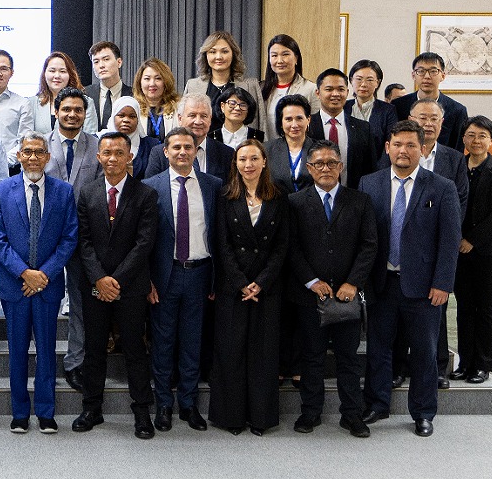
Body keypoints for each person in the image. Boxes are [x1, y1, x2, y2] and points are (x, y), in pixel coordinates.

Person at [362, 120, 462, 438]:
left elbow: (450, 241)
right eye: (397, 144)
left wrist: (443, 283)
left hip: (424, 287)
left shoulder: (441, 187)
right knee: (378, 349)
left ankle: (423, 412)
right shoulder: (369, 183)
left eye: (410, 145)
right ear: (387, 147)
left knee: (423, 353)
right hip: (382, 283)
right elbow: (364, 236)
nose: (403, 150)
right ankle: (377, 404)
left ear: (422, 148)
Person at [286, 140, 378, 437]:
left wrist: (353, 282)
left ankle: (351, 414)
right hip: (309, 296)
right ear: (309, 168)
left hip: (346, 296)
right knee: (312, 356)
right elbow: (291, 247)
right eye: (319, 164)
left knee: (348, 358)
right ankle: (310, 412)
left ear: (341, 167)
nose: (325, 168)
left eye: (331, 163)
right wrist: (311, 281)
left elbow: (369, 245)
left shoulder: (360, 201)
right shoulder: (295, 202)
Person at [72, 132, 159, 440]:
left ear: (129, 156)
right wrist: (99, 278)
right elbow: (83, 241)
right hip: (96, 285)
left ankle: (142, 412)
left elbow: (144, 243)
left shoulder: (145, 194)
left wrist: (116, 280)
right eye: (106, 153)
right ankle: (91, 409)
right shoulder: (87, 193)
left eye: (119, 153)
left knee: (135, 348)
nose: (112, 158)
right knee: (94, 348)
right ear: (98, 157)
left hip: (130, 286)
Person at [0, 133, 78, 434]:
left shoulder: (63, 192)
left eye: (39, 152)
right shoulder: (1, 190)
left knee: (46, 351)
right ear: (18, 155)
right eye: (27, 152)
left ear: (48, 157)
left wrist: (43, 274)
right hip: (15, 286)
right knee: (16, 352)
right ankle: (19, 413)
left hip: (47, 286)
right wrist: (24, 273)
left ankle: (45, 411)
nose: (32, 158)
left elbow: (69, 238)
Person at [144, 126, 223, 433]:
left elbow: (219, 235)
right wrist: (148, 280)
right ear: (166, 152)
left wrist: (215, 279)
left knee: (192, 342)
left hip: (200, 273)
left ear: (195, 151)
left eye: (188, 147)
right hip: (166, 275)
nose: (182, 152)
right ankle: (164, 404)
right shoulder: (150, 187)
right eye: (176, 147)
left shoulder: (213, 185)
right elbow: (144, 241)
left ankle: (189, 405)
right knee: (163, 343)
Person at [209, 139, 288, 436]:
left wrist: (262, 282)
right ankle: (231, 417)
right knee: (231, 353)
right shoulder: (225, 195)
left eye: (254, 158)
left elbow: (282, 245)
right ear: (236, 163)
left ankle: (260, 418)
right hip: (234, 286)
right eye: (242, 159)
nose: (248, 165)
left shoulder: (278, 194)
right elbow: (222, 243)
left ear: (264, 162)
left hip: (267, 286)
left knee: (263, 354)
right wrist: (242, 283)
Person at [396, 98, 470, 386]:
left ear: (442, 123)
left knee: (435, 313)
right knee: (399, 314)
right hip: (402, 246)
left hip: (436, 245)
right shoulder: (397, 152)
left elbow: (459, 201)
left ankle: (439, 367)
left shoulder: (454, 159)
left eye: (433, 119)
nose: (427, 124)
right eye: (421, 118)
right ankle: (399, 367)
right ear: (410, 119)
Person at [44, 86, 100, 394]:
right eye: (66, 109)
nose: (72, 114)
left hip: (84, 237)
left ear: (85, 114)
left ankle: (75, 361)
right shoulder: (40, 145)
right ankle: (43, 360)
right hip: (46, 237)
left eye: (78, 110)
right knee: (45, 300)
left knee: (80, 302)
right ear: (56, 111)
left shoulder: (97, 146)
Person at [449, 117, 492, 385]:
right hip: (458, 248)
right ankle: (465, 362)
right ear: (464, 138)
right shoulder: (456, 167)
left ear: (491, 140)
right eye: (471, 135)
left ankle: (483, 365)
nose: (476, 141)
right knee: (464, 307)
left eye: (482, 135)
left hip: (488, 250)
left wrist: (472, 241)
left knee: (485, 307)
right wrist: (457, 239)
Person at [183, 31, 265, 133]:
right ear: (206, 55)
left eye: (224, 52)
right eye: (213, 52)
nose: (219, 57)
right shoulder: (193, 86)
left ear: (233, 54)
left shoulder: (250, 86)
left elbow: (261, 125)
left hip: (243, 143)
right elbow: (184, 124)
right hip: (203, 143)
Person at [308, 68, 376, 189]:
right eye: (329, 89)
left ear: (347, 92)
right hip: (313, 196)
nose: (335, 94)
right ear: (317, 93)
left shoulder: (363, 128)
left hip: (352, 195)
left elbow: (370, 169)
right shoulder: (307, 126)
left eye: (340, 89)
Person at [143, 93, 234, 182]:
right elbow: (151, 188)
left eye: (204, 116)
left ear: (210, 119)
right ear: (180, 119)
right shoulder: (159, 154)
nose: (198, 121)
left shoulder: (226, 154)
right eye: (192, 115)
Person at [390, 52, 469, 151]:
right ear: (413, 75)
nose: (427, 76)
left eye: (433, 71)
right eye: (421, 71)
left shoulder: (457, 111)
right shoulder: (398, 106)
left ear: (443, 76)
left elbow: (457, 150)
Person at [24, 51, 99, 138]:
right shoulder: (31, 103)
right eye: (52, 71)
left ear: (70, 74)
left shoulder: (87, 102)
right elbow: (26, 138)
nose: (57, 76)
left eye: (62, 71)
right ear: (44, 74)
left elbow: (91, 138)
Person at [0, 49, 33, 170]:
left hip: (11, 169)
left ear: (11, 72)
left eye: (4, 69)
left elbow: (24, 141)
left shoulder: (22, 104)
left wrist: (2, 162)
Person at [260, 34, 318, 141]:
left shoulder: (311, 89)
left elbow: (315, 128)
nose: (280, 60)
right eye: (274, 55)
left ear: (296, 58)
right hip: (267, 148)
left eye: (285, 54)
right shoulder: (261, 89)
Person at [265, 95, 316, 193]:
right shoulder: (267, 149)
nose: (294, 125)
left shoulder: (320, 150)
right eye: (288, 119)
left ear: (308, 120)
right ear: (281, 122)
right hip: (277, 201)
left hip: (310, 202)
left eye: (299, 118)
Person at [346, 59, 397, 149]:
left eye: (369, 80)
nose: (363, 84)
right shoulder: (343, 108)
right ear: (351, 80)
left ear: (377, 82)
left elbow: (391, 143)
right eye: (359, 79)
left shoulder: (388, 110)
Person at [105, 96, 160, 179]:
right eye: (121, 115)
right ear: (113, 117)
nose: (126, 120)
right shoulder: (98, 141)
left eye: (132, 116)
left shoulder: (151, 145)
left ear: (138, 120)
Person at [85, 40, 133, 132]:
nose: (101, 65)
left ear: (119, 62)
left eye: (106, 59)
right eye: (96, 62)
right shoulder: (85, 94)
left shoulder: (134, 95)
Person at [132, 58, 180, 141]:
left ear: (166, 82)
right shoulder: (133, 108)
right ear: (140, 82)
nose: (152, 84)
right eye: (147, 79)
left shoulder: (178, 107)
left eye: (158, 78)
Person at [208, 85, 264, 150]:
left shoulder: (259, 136)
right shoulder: (210, 138)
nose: (237, 108)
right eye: (232, 103)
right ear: (222, 106)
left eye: (243, 105)